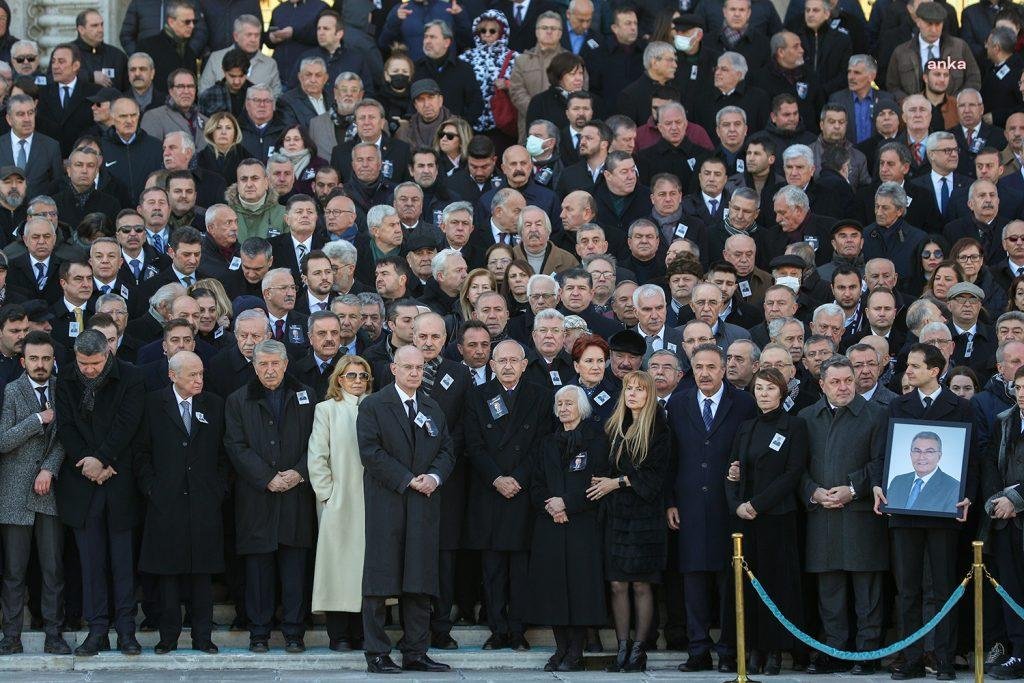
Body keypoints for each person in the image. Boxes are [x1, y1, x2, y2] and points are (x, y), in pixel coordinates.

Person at [355, 344, 455, 674]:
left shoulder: (432, 407)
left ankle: (416, 651)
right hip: (388, 503)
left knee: (420, 579)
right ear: (394, 369)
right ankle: (377, 653)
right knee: (379, 581)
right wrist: (408, 479)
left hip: (424, 505)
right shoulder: (374, 405)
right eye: (408, 367)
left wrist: (435, 477)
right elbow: (370, 452)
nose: (415, 373)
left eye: (420, 368)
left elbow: (446, 451)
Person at [667, 343, 757, 673]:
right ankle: (698, 650)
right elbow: (670, 457)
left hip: (728, 507)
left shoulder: (744, 403)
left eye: (711, 367)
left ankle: (729, 651)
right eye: (698, 367)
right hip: (688, 506)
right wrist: (670, 502)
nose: (704, 373)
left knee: (728, 580)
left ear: (723, 370)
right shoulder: (679, 403)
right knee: (693, 582)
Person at [55, 329, 145, 656]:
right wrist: (88, 463)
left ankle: (125, 631)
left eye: (95, 363)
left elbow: (129, 422)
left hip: (118, 478)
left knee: (123, 562)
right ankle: (96, 630)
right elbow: (65, 426)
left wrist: (104, 459)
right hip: (83, 482)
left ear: (108, 353)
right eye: (83, 363)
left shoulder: (131, 377)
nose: (89, 370)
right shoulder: (66, 377)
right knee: (90, 562)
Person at [223, 339, 316, 654]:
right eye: (263, 364)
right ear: (254, 366)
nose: (270, 370)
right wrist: (267, 478)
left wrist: (299, 472)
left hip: (296, 495)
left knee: (294, 571)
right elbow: (235, 446)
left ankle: (294, 633)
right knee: (258, 571)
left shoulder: (306, 395)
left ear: (286, 364)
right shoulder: (238, 400)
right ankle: (258, 634)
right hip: (256, 498)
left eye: (275, 363)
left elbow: (317, 442)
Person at [799, 355, 888, 675]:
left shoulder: (877, 415)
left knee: (868, 592)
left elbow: (882, 462)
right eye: (835, 382)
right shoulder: (807, 417)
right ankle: (834, 651)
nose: (843, 387)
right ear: (822, 385)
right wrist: (813, 491)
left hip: (862, 516)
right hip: (821, 516)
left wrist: (854, 488)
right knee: (830, 591)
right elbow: (798, 467)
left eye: (848, 380)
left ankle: (868, 653)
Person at [463, 339, 554, 651]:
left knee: (520, 570)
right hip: (490, 493)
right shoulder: (476, 396)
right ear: (492, 364)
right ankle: (497, 629)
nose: (508, 366)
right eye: (501, 360)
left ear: (525, 364)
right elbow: (472, 444)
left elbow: (542, 444)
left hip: (523, 494)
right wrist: (497, 478)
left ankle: (518, 631)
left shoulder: (541, 397)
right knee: (492, 570)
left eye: (514, 360)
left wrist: (517, 477)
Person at [134, 350, 225, 655]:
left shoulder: (214, 404)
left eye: (201, 374)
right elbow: (141, 453)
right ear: (173, 376)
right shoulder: (152, 404)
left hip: (203, 502)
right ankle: (168, 636)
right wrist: (152, 489)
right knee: (168, 574)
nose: (199, 380)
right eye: (192, 375)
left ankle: (203, 636)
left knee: (202, 574)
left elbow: (224, 454)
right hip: (165, 502)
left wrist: (217, 489)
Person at [724, 367, 807, 676]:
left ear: (781, 393)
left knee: (775, 585)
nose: (763, 393)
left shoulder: (793, 426)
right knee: (747, 586)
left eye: (770, 389)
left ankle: (774, 651)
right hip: (745, 521)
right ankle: (753, 649)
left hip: (776, 518)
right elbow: (731, 471)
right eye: (759, 388)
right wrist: (737, 506)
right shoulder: (746, 427)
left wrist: (757, 504)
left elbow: (792, 474)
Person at [525, 384, 608, 672]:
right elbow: (536, 484)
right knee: (554, 590)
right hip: (549, 525)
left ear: (581, 408)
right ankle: (560, 649)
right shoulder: (547, 443)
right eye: (559, 403)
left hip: (581, 525)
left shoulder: (596, 442)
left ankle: (576, 652)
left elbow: (597, 485)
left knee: (580, 589)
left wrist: (566, 504)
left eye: (569, 403)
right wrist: (551, 505)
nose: (563, 408)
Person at [592, 369, 670, 673]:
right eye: (629, 389)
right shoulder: (614, 426)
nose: (633, 394)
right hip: (615, 515)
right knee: (616, 584)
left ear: (649, 395)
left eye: (639, 389)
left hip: (644, 515)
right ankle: (622, 646)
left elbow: (655, 477)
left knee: (641, 583)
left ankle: (639, 649)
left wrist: (617, 482)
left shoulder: (659, 428)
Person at [0, 331, 71, 655]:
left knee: (53, 568)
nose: (40, 365)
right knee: (14, 571)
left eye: (45, 358)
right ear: (23, 361)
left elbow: (65, 440)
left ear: (53, 360)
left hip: (49, 493)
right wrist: (36, 420)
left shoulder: (61, 390)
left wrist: (49, 469)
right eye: (34, 359)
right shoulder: (12, 392)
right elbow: (3, 440)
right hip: (14, 494)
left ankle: (53, 634)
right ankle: (11, 636)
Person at [306, 354, 372, 651]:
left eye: (362, 376)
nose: (357, 381)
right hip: (340, 500)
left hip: (372, 502)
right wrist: (327, 495)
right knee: (337, 567)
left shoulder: (377, 407)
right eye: (351, 375)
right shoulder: (327, 409)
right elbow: (317, 455)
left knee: (365, 569)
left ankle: (361, 632)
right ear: (339, 379)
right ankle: (339, 635)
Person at [983, 365, 1024, 680]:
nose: (1021, 394)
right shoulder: (1004, 421)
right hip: (1007, 523)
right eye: (1018, 387)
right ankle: (1018, 653)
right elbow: (991, 466)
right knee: (1011, 589)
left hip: (1018, 510)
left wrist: (1017, 499)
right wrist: (998, 500)